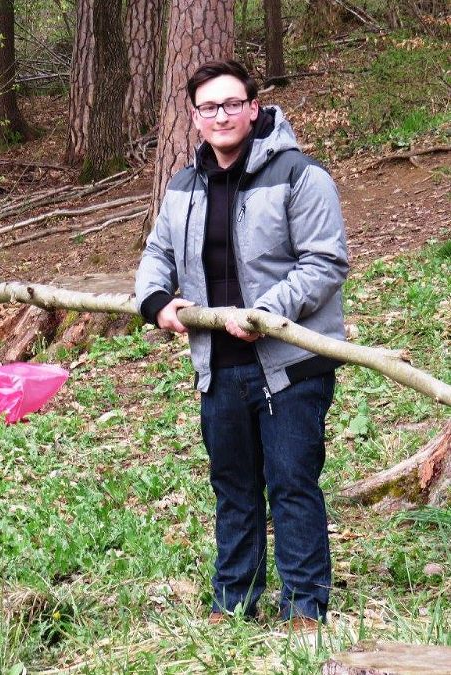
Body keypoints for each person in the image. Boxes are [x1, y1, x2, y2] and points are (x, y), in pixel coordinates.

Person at [135, 60, 348, 626]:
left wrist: (266, 313)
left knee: (291, 483)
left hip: (291, 363)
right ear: (195, 117)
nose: (221, 115)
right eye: (209, 107)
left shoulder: (300, 175)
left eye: (233, 104)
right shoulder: (183, 186)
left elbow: (325, 262)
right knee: (233, 489)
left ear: (254, 108)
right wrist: (156, 300)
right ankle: (234, 603)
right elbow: (157, 253)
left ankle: (306, 606)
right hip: (218, 366)